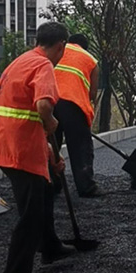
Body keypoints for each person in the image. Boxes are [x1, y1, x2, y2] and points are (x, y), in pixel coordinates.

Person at [0, 21, 74, 273]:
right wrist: (51, 121)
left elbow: (24, 112)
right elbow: (42, 106)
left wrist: (51, 154)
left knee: (46, 191)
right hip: (21, 150)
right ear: (61, 46)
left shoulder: (21, 62)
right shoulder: (43, 65)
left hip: (7, 143)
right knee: (31, 216)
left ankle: (50, 247)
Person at [53, 33, 101, 197]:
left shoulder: (56, 51)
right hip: (73, 104)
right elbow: (92, 94)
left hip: (49, 101)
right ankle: (86, 187)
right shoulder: (90, 60)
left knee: (51, 145)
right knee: (80, 147)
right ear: (85, 48)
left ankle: (52, 185)